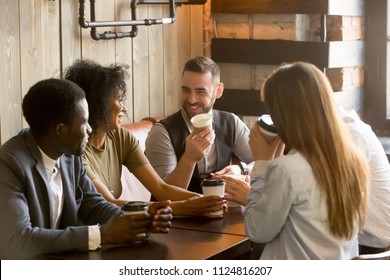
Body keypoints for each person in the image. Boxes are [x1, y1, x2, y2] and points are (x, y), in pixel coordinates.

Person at [0, 78, 172, 259]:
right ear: (60, 130)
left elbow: (94, 205)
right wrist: (103, 234)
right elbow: (18, 239)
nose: (90, 129)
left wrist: (139, 218)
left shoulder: (69, 155)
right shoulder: (9, 164)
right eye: (85, 123)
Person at [64, 59, 225, 217]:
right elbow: (108, 204)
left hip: (117, 229)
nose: (124, 108)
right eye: (119, 100)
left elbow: (160, 188)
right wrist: (185, 208)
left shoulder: (121, 137)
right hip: (92, 236)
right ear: (98, 105)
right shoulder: (76, 150)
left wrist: (205, 201)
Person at [244, 62, 369, 259]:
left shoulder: (287, 169)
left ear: (285, 116)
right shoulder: (353, 162)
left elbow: (257, 231)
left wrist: (261, 165)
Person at [145, 56, 253, 194]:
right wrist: (189, 158)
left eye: (200, 91)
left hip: (220, 211)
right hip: (175, 214)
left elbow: (262, 164)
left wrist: (240, 169)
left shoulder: (232, 124)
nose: (191, 99)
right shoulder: (161, 133)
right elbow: (165, 194)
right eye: (186, 90)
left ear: (218, 91)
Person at [337, 105, 390, 255]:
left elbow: (344, 204)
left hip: (372, 245)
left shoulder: (350, 133)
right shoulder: (347, 127)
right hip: (362, 239)